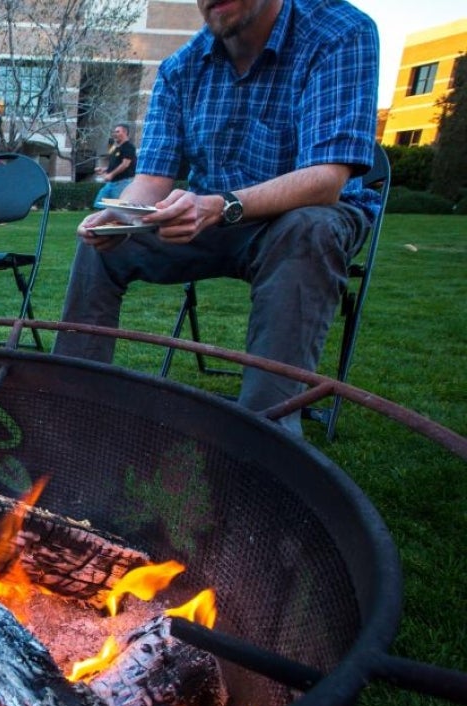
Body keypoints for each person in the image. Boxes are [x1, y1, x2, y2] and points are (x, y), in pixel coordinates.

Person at [53, 0, 380, 435]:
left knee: (306, 229)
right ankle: (70, 414)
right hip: (216, 220)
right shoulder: (182, 67)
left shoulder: (339, 32)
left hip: (310, 216)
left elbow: (326, 180)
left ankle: (266, 440)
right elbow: (152, 178)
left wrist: (217, 205)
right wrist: (119, 214)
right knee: (104, 243)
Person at [92, 123, 136, 207]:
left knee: (117, 208)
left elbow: (125, 164)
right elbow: (115, 165)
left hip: (122, 183)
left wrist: (111, 175)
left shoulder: (129, 147)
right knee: (99, 204)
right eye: (114, 132)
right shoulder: (116, 148)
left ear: (125, 132)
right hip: (111, 183)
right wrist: (104, 169)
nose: (115, 134)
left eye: (117, 132)